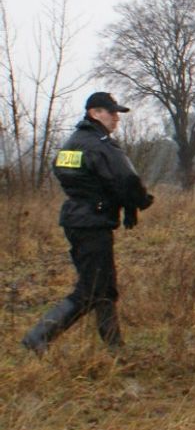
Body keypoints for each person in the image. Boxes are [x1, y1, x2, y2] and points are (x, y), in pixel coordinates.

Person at [21, 91, 154, 354]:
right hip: (92, 221)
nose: (116, 118)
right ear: (95, 113)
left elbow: (63, 172)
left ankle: (115, 348)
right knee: (91, 288)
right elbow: (125, 178)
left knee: (104, 286)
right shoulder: (100, 144)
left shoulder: (71, 143)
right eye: (111, 112)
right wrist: (138, 201)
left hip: (77, 218)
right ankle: (39, 336)